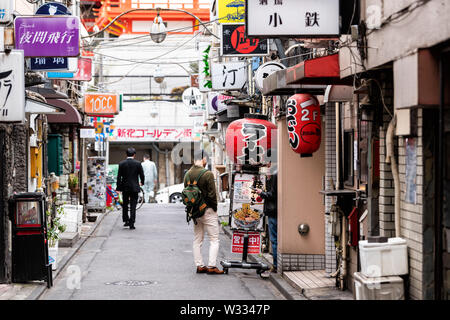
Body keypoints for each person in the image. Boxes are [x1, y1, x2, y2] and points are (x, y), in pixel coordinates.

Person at [184, 149, 224, 275]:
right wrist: (214, 209)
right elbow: (212, 195)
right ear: (204, 159)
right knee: (214, 239)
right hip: (208, 211)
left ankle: (200, 265)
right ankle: (212, 266)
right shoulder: (207, 174)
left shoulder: (188, 174)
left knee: (197, 239)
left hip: (194, 212)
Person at [256, 162, 278, 273]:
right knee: (275, 239)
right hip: (275, 211)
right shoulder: (275, 173)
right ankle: (276, 264)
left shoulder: (275, 174)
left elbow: (273, 194)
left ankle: (276, 265)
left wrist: (262, 193)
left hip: (273, 211)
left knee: (274, 240)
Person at [116, 147, 145, 230]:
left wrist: (118, 187)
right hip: (135, 187)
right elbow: (142, 175)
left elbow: (119, 177)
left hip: (125, 187)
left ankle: (126, 220)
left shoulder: (122, 164)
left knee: (125, 204)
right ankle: (132, 223)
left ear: (126, 154)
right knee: (133, 205)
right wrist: (142, 182)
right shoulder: (138, 163)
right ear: (134, 155)